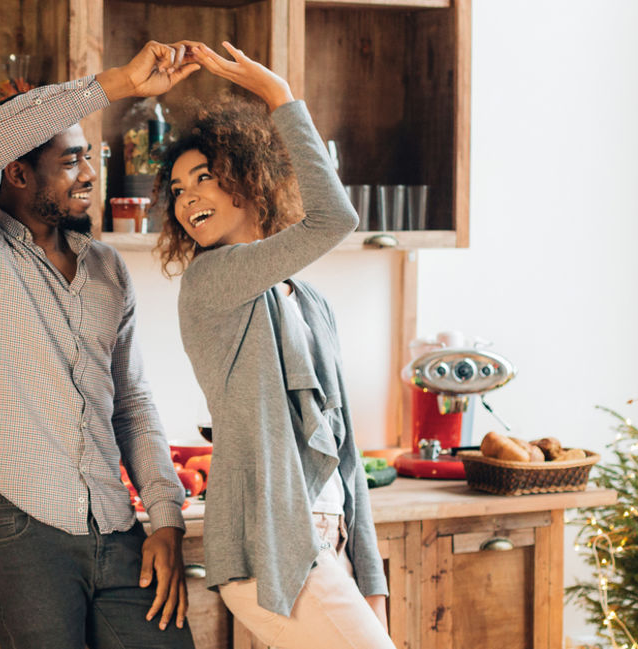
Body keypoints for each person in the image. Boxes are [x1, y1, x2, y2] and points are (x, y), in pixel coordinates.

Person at [0, 41, 201, 649]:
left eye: (91, 157)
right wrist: (118, 83)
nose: (91, 175)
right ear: (17, 173)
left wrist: (166, 517)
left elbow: (132, 404)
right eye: (71, 160)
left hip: (116, 523)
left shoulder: (106, 269)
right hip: (16, 521)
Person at [154, 42, 395, 649]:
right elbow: (336, 219)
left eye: (204, 177)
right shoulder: (213, 281)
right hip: (271, 551)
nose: (187, 199)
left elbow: (344, 449)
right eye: (178, 189)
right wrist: (281, 99)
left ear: (248, 179)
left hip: (325, 542)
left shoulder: (307, 301)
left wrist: (371, 580)